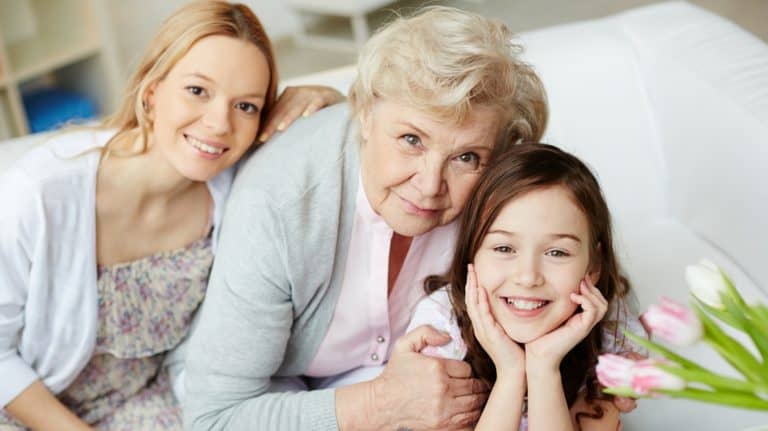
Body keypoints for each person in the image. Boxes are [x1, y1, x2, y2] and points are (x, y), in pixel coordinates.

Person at [183, 6, 551, 431]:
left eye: (465, 157)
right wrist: (382, 403)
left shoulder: (496, 182)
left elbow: (570, 263)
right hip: (278, 397)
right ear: (365, 114)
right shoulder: (276, 205)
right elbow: (214, 418)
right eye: (411, 140)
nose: (430, 185)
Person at [0, 1, 343, 430]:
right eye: (197, 91)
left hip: (153, 399)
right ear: (151, 94)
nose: (219, 124)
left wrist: (329, 101)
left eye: (246, 106)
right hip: (30, 409)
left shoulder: (237, 183)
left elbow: (335, 160)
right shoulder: (39, 192)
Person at [407, 143, 646, 430]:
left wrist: (544, 366)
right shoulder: (442, 329)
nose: (528, 277)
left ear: (593, 266)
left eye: (557, 252)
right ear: (472, 253)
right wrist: (510, 373)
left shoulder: (611, 333)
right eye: (504, 248)